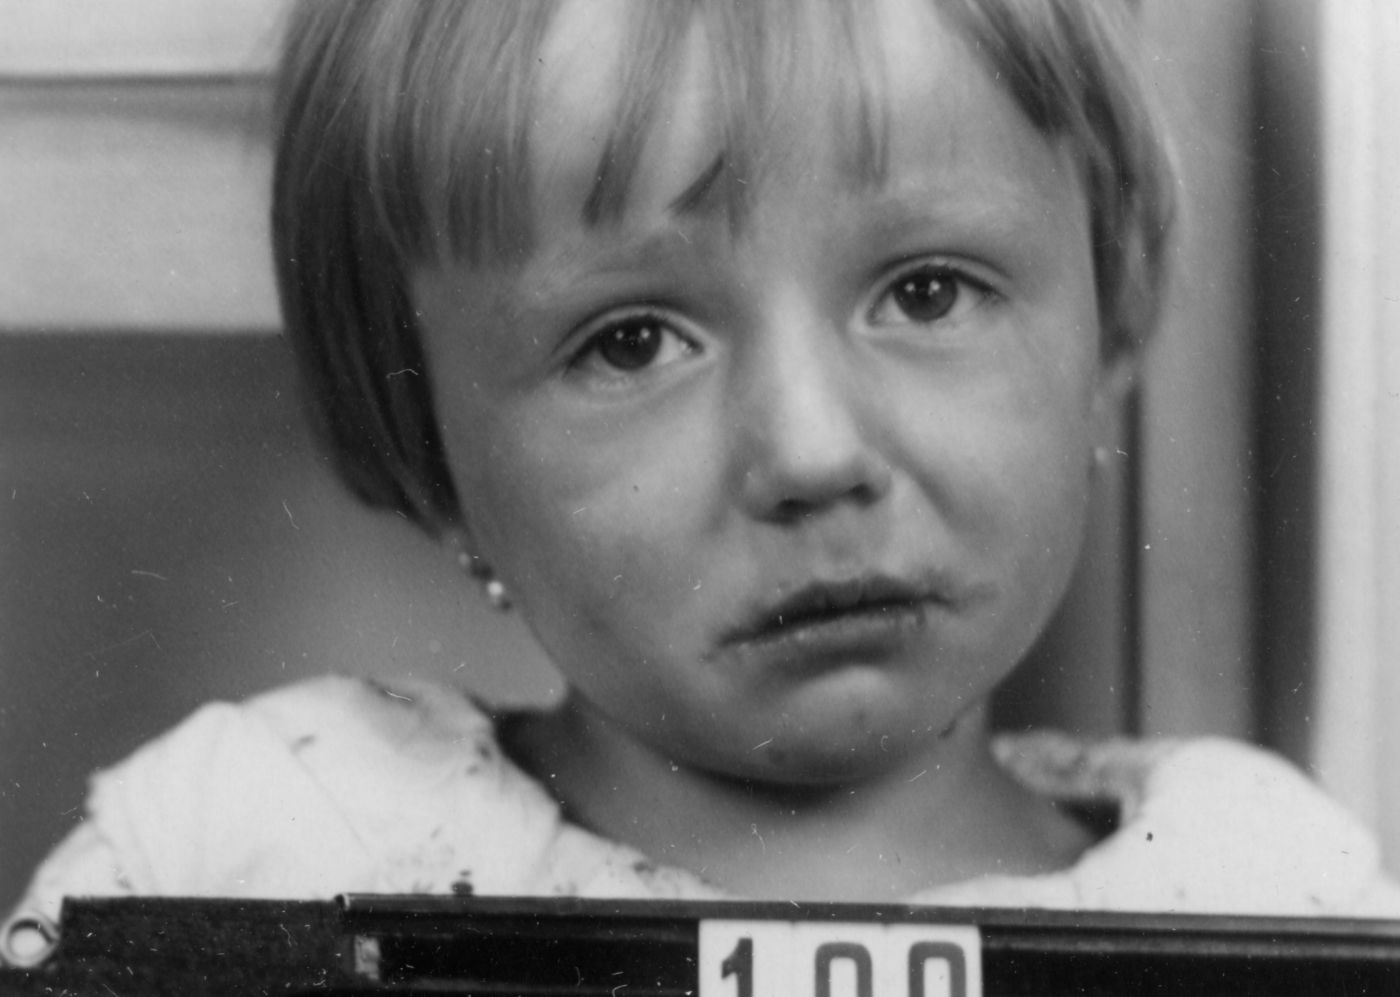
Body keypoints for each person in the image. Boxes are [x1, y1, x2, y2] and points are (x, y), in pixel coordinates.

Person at [5, 0, 1398, 968]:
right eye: (631, 342)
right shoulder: (271, 848)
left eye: (926, 290)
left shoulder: (1257, 890)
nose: (811, 454)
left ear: (1111, 316)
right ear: (429, 450)